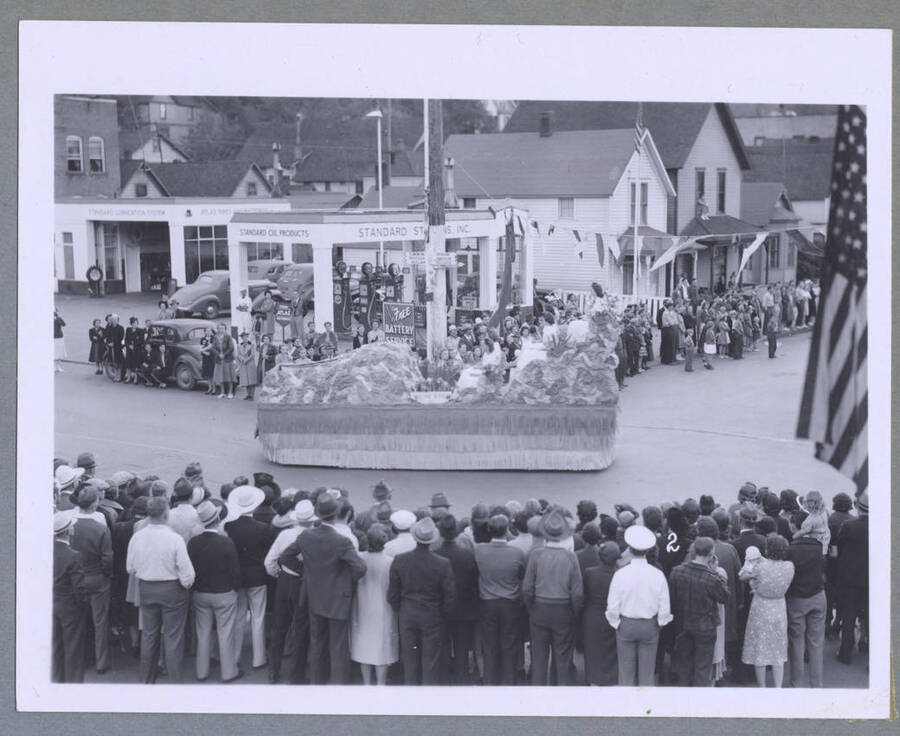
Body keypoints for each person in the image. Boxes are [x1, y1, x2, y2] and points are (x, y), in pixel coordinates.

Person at [278, 493, 367, 684]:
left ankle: (317, 683)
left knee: (317, 643)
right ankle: (337, 686)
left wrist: (306, 572)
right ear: (336, 515)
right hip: (337, 599)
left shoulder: (306, 536)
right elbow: (360, 568)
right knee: (338, 646)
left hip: (313, 596)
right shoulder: (342, 541)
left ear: (317, 514)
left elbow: (285, 558)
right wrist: (345, 582)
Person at [126, 496, 196, 683]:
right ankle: (174, 682)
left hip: (147, 588)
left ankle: (146, 680)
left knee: (149, 636)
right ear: (166, 514)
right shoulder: (175, 539)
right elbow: (187, 572)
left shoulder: (137, 537)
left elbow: (130, 567)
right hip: (172, 590)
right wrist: (185, 585)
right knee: (173, 638)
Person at [387, 517, 455, 685]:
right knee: (430, 660)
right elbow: (450, 595)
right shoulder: (442, 563)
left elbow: (392, 594)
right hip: (432, 614)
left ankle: (411, 694)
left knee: (409, 659)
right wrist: (443, 615)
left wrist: (401, 608)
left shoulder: (400, 560)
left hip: (408, 613)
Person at [522, 508, 583, 686]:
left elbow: (527, 588)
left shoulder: (535, 555)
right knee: (563, 658)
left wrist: (531, 608)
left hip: (539, 609)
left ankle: (538, 697)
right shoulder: (571, 557)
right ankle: (561, 697)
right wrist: (574, 612)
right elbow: (577, 592)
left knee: (539, 658)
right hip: (564, 610)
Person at [606, 525, 672, 686]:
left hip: (626, 624)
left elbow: (612, 605)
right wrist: (660, 623)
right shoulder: (657, 574)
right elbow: (665, 605)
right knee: (647, 672)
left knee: (626, 672)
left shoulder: (620, 574)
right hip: (649, 625)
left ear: (629, 548)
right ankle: (644, 705)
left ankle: (627, 707)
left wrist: (616, 623)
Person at [187, 501, 243, 683]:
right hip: (224, 593)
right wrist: (234, 588)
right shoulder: (226, 542)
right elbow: (235, 571)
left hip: (201, 593)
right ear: (218, 519)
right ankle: (228, 672)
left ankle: (201, 671)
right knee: (225, 632)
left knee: (203, 632)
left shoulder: (194, 542)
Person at [224, 485, 275, 672]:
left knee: (238, 617)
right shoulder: (262, 528)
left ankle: (236, 655)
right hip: (257, 576)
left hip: (238, 576)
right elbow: (268, 551)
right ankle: (258, 657)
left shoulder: (230, 526)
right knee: (258, 617)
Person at [265, 499, 315, 684]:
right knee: (301, 629)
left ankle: (274, 671)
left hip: (285, 581)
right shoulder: (313, 536)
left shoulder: (284, 534)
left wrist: (279, 574)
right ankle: (297, 674)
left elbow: (269, 561)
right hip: (304, 583)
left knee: (279, 628)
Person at [668, 537, 730, 686]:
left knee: (684, 666)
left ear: (694, 551)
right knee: (702, 669)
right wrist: (715, 572)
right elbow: (725, 597)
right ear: (711, 553)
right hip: (705, 627)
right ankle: (699, 703)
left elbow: (672, 598)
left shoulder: (676, 571)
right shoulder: (712, 578)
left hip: (683, 625)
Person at [473, 514, 526, 685]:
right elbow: (521, 576)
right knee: (509, 646)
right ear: (507, 530)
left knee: (489, 646)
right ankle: (508, 683)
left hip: (487, 603)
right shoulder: (517, 553)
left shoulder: (479, 550)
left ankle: (490, 682)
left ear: (489, 530)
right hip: (510, 603)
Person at [740, 534, 795, 687]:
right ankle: (777, 687)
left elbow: (743, 577)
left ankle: (762, 687)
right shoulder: (789, 566)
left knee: (760, 648)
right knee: (778, 648)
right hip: (779, 607)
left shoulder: (760, 566)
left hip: (761, 607)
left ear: (767, 549)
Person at [69, 487, 114, 675]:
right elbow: (107, 558)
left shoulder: (70, 525)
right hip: (97, 578)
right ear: (95, 503)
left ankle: (78, 658)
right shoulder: (100, 528)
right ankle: (101, 662)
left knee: (77, 620)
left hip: (77, 577)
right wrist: (107, 575)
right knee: (100, 621)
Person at [350, 524, 399, 685]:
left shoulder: (359, 557)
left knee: (364, 643)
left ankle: (366, 683)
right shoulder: (390, 561)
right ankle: (380, 684)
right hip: (383, 607)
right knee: (381, 646)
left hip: (362, 605)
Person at [433, 514, 479, 684]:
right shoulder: (467, 555)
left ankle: (445, 680)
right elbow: (475, 583)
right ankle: (462, 681)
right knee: (461, 650)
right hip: (463, 609)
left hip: (442, 609)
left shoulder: (435, 554)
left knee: (444, 648)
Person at [785, 508, 827, 687]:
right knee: (816, 643)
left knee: (797, 643)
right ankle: (816, 685)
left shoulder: (790, 549)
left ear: (795, 526)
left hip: (797, 598)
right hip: (818, 595)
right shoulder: (819, 546)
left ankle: (796, 684)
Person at [52, 512, 88, 683]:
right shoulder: (74, 555)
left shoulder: (47, 552)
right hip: (69, 607)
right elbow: (79, 588)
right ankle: (73, 685)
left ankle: (56, 681)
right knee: (73, 647)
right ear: (68, 531)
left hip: (52, 603)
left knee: (56, 646)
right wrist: (83, 606)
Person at [835, 490, 868, 665]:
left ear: (858, 508)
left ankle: (845, 654)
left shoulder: (849, 526)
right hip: (871, 580)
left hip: (850, 580)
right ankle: (872, 659)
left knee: (849, 617)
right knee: (871, 619)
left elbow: (839, 547)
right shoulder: (881, 526)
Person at [581, 540, 620, 685]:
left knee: (592, 651)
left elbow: (584, 594)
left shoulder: (590, 573)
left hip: (592, 617)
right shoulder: (620, 574)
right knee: (612, 652)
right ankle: (610, 680)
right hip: (612, 616)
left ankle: (593, 681)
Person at [212, 322, 236, 398]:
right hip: (219, 360)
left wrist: (224, 354)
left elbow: (231, 347)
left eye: (222, 328)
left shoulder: (228, 337)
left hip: (227, 359)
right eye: (219, 328)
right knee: (220, 377)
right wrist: (218, 354)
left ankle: (230, 393)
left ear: (225, 329)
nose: (221, 330)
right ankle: (222, 392)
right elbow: (213, 348)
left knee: (229, 376)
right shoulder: (215, 337)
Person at [236, 331, 258, 400]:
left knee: (252, 380)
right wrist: (242, 359)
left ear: (247, 337)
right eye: (243, 336)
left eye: (246, 336)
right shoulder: (239, 345)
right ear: (241, 338)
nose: (244, 338)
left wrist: (246, 360)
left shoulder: (252, 344)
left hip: (250, 363)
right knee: (246, 380)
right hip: (243, 364)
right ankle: (248, 394)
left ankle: (252, 395)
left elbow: (253, 354)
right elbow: (238, 354)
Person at [105, 314, 125, 381]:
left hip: (118, 347)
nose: (114, 321)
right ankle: (115, 375)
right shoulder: (110, 328)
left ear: (118, 320)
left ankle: (119, 376)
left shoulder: (121, 328)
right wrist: (109, 343)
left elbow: (121, 337)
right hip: (111, 347)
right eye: (112, 320)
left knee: (118, 362)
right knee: (114, 362)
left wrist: (114, 343)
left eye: (115, 319)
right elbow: (108, 336)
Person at [199, 328, 216, 395]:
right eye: (207, 331)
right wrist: (205, 353)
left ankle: (214, 389)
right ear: (205, 332)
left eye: (210, 331)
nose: (208, 332)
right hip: (205, 358)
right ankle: (209, 388)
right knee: (208, 374)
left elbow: (213, 347)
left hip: (212, 358)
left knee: (212, 374)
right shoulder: (202, 339)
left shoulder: (213, 338)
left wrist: (207, 352)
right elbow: (200, 348)